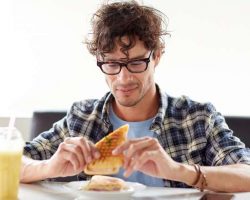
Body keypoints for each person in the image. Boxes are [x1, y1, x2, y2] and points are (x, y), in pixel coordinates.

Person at [20, 0, 250, 192]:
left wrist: (179, 170)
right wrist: (49, 167)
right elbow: (9, 163)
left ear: (157, 56)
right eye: (111, 64)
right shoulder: (81, 117)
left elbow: (246, 172)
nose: (123, 78)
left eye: (136, 63)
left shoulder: (198, 118)